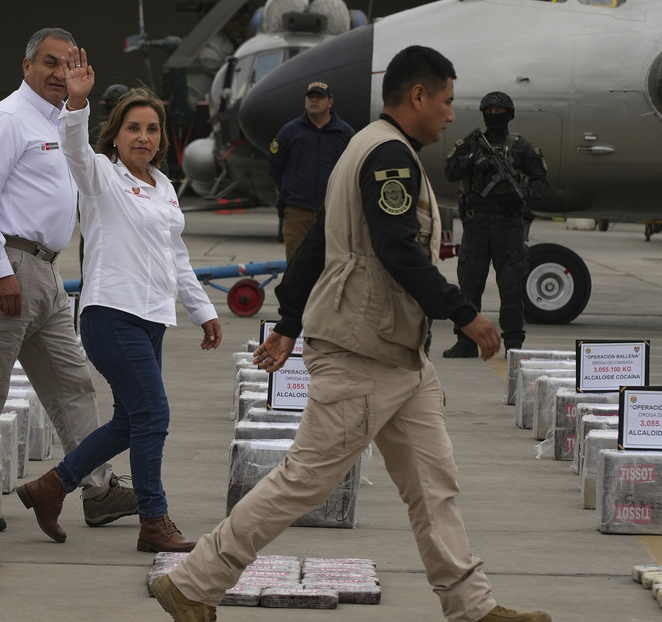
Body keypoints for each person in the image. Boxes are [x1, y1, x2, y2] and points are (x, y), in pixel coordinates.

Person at [152, 46, 551, 622]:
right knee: (305, 481)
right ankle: (195, 581)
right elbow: (395, 249)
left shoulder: (359, 148)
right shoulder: (389, 156)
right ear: (418, 96)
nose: (449, 114)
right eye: (445, 101)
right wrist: (464, 311)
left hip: (399, 357)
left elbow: (317, 244)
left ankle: (472, 608)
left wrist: (288, 323)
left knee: (434, 486)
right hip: (364, 350)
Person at [16, 48, 222, 552]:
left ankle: (51, 487)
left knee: (131, 420)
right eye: (133, 128)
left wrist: (203, 310)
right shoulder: (102, 176)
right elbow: (74, 150)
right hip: (110, 314)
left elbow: (176, 256)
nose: (143, 138)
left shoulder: (164, 188)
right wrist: (79, 104)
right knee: (154, 414)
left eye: (152, 129)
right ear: (116, 133)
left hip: (151, 318)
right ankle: (154, 520)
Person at [0, 27, 137, 532]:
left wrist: (80, 105)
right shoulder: (8, 119)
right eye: (48, 63)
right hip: (10, 267)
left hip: (46, 273)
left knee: (74, 385)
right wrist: (2, 273)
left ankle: (98, 491)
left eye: (67, 64)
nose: (57, 74)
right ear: (26, 66)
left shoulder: (59, 120)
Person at [442, 91, 548, 358]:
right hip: (477, 224)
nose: (494, 117)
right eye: (490, 113)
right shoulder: (472, 144)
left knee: (512, 287)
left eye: (500, 113)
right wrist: (472, 163)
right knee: (469, 284)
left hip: (508, 224)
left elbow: (540, 182)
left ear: (509, 115)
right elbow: (450, 170)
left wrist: (523, 193)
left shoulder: (522, 147)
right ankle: (466, 341)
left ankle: (513, 343)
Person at [268, 80, 355, 260]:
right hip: (297, 211)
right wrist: (292, 190)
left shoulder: (345, 134)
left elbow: (353, 169)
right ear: (305, 101)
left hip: (333, 211)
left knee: (332, 265)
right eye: (310, 97)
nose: (314, 100)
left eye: (319, 97)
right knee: (295, 264)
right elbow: (276, 167)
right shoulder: (289, 132)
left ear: (330, 102)